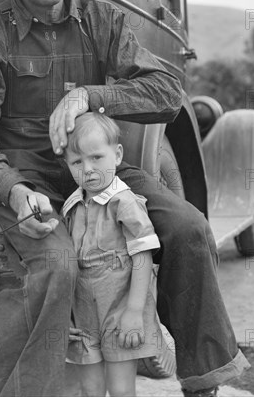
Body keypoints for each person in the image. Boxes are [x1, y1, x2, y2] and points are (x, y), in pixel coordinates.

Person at [0, 0, 249, 397]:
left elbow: (167, 93)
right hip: (25, 180)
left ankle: (202, 378)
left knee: (189, 228)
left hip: (102, 171)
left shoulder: (99, 18)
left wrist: (93, 96)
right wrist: (15, 192)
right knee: (56, 264)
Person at [62, 112, 162, 397]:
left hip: (120, 307)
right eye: (77, 162)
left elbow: (143, 256)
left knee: (120, 388)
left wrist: (133, 311)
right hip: (83, 311)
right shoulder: (71, 207)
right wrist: (66, 314)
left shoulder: (125, 203)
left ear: (117, 155)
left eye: (96, 158)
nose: (88, 169)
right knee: (89, 388)